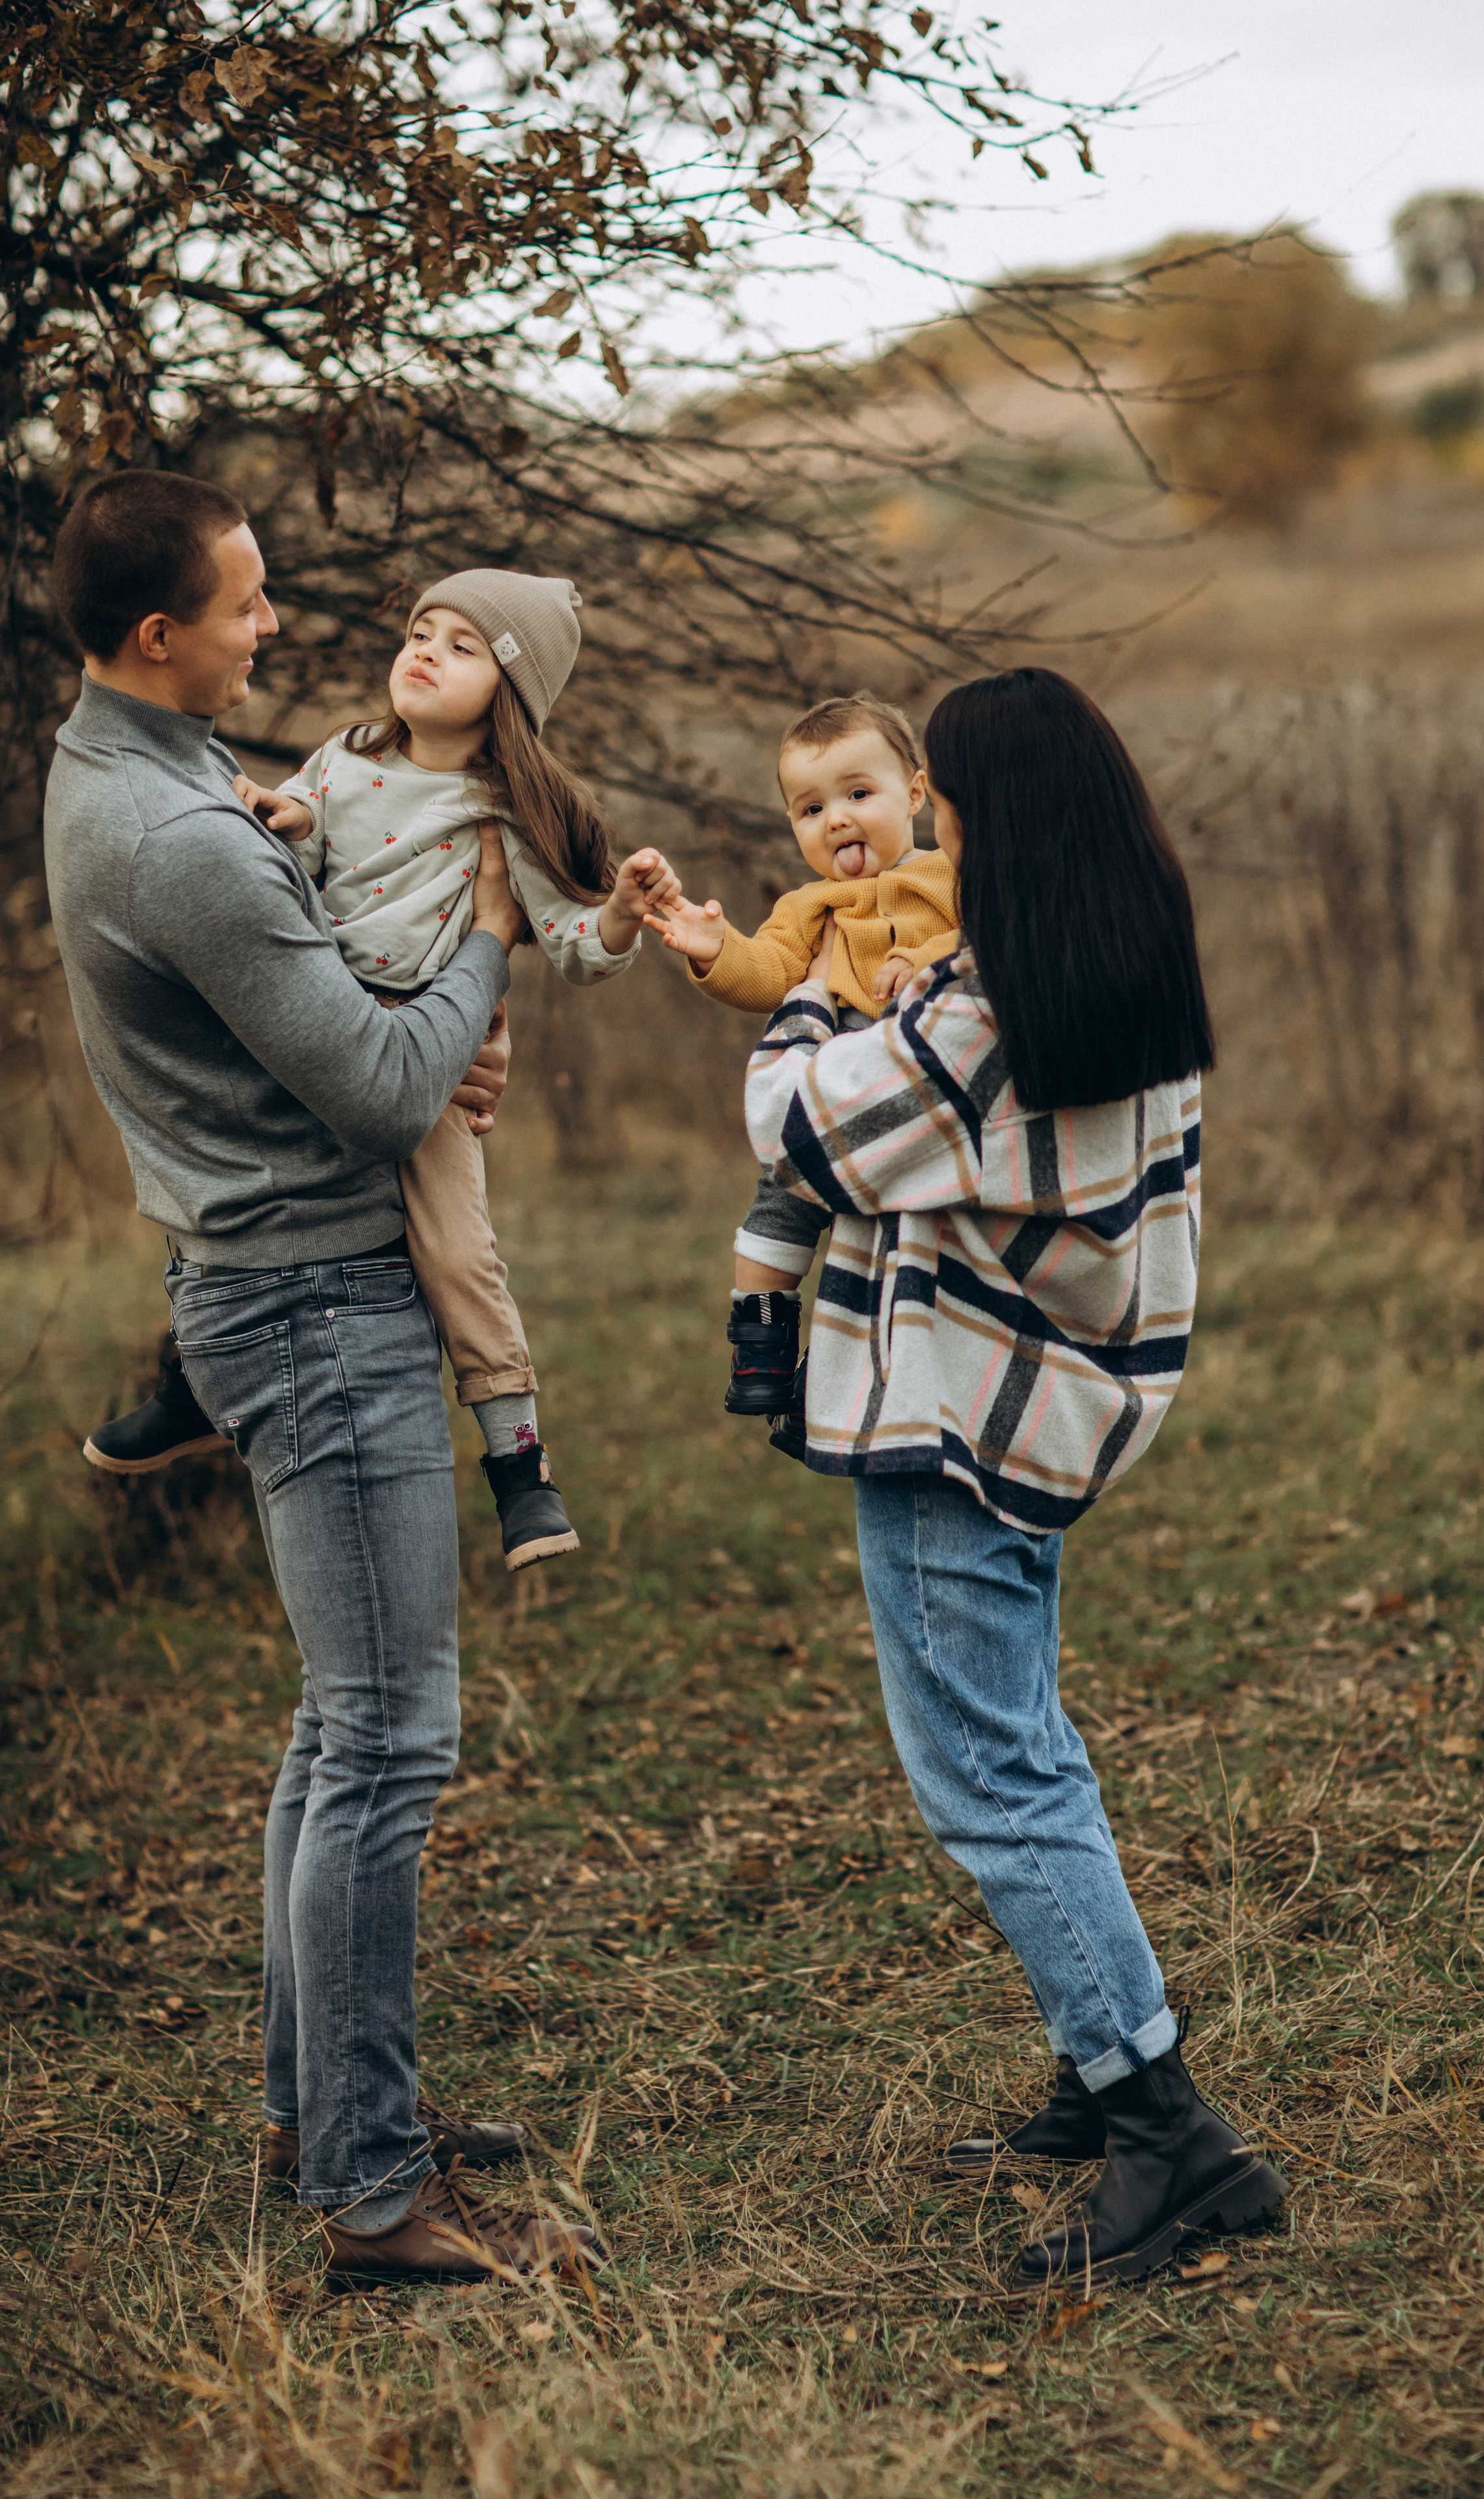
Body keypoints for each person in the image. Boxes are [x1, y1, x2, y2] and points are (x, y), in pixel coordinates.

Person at [44, 469, 599, 2286]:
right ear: (157, 635)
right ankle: (372, 2191)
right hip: (314, 1298)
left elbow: (348, 1021)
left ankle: (317, 2111)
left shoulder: (149, 767)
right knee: (386, 1739)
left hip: (281, 1279)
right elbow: (373, 1080)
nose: (274, 624)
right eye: (245, 602)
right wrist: (483, 964)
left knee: (337, 1723)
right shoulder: (180, 834)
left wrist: (430, 1045)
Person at [740, 666, 1289, 2287]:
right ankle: (1089, 2047)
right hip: (1053, 1406)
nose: (933, 847)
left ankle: (1164, 2129)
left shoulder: (976, 1016)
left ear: (996, 825)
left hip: (949, 1426)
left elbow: (796, 1124)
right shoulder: (1123, 968)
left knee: (989, 1776)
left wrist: (806, 1003)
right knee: (1023, 1738)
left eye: (949, 817)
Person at [85, 566, 681, 1570]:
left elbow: (574, 946)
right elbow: (306, 852)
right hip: (311, 1019)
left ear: (509, 693)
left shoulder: (502, 810)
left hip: (423, 1046)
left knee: (456, 1251)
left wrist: (621, 909)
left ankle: (521, 1466)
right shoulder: (345, 756)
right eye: (420, 629)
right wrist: (283, 818)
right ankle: (195, 1381)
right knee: (232, 1172)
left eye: (461, 646)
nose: (425, 652)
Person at [647, 692, 959, 1415]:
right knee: (774, 1207)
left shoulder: (948, 878)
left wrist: (928, 960)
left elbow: (988, 942)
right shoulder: (807, 908)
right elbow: (770, 974)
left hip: (916, 1077)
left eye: (857, 794)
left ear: (914, 793)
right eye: (810, 809)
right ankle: (761, 1347)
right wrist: (715, 949)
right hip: (826, 1091)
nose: (836, 819)